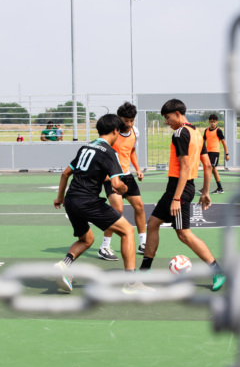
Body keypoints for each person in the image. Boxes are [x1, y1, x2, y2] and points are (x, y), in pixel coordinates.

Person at [139, 99, 225, 291]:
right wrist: (204, 192)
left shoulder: (180, 134)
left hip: (179, 188)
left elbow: (185, 167)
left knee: (184, 234)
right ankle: (144, 271)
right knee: (153, 223)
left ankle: (218, 271)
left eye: (168, 118)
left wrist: (177, 198)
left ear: (178, 114)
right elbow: (208, 165)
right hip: (180, 187)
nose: (166, 122)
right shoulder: (197, 132)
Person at [52, 114, 144, 293]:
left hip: (71, 200)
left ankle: (64, 265)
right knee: (127, 231)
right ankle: (132, 283)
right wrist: (125, 190)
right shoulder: (110, 152)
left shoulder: (85, 146)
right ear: (115, 131)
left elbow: (65, 174)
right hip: (88, 201)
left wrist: (60, 198)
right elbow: (117, 184)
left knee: (87, 239)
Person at [98, 102, 147, 260]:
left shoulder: (135, 132)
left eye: (131, 120)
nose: (128, 123)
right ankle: (104, 246)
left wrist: (138, 169)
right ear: (119, 118)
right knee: (117, 210)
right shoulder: (111, 132)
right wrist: (104, 173)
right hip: (112, 176)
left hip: (127, 174)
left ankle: (143, 243)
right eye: (125, 120)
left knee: (139, 206)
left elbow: (131, 150)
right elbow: (101, 152)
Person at [205, 113, 230, 194]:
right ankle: (219, 188)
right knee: (212, 169)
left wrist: (227, 153)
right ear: (209, 122)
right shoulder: (206, 130)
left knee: (212, 168)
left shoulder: (218, 131)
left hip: (215, 152)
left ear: (217, 122)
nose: (213, 123)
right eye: (211, 121)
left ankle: (206, 188)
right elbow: (203, 142)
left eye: (214, 122)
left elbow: (223, 142)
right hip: (208, 153)